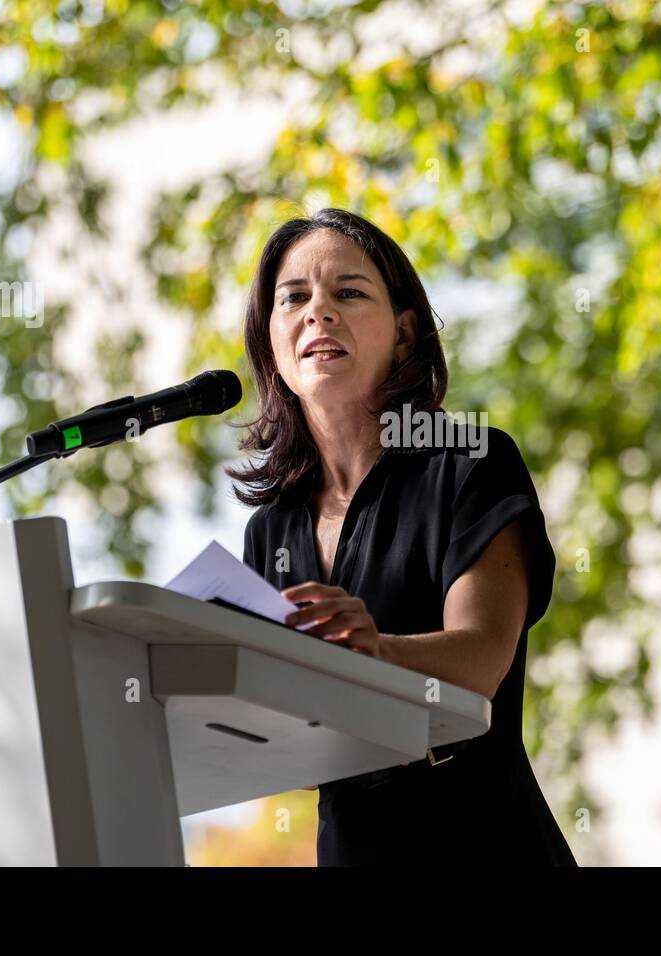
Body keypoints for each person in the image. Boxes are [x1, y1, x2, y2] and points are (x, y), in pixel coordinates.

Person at [230, 207, 577, 866]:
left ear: (404, 330)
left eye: (348, 293)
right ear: (270, 338)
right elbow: (291, 746)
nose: (318, 313)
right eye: (294, 298)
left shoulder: (471, 463)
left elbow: (480, 661)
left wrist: (375, 651)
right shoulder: (268, 528)